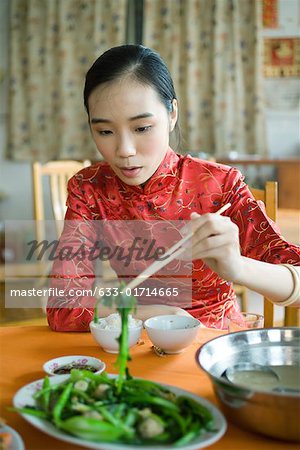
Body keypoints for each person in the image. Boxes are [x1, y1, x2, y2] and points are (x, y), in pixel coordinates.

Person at [47, 44, 300, 332]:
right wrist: (151, 313)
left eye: (142, 128)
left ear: (172, 114)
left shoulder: (219, 185)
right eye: (105, 131)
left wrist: (238, 267)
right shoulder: (90, 188)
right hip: (135, 339)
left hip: (213, 340)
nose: (124, 150)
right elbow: (63, 307)